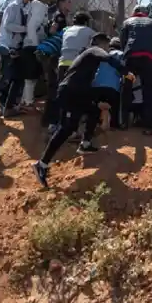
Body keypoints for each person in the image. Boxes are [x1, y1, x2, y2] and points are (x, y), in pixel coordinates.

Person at [33, 34, 124, 188]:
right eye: (106, 46)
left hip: (78, 92)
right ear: (100, 44)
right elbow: (108, 58)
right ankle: (41, 164)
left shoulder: (86, 57)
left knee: (95, 108)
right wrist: (125, 71)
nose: (107, 49)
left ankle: (86, 143)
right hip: (70, 92)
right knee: (66, 128)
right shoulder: (93, 50)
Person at [118, 6, 152, 135]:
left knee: (126, 88)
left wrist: (126, 53)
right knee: (147, 91)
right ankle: (148, 126)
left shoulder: (127, 22)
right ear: (146, 13)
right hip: (147, 59)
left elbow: (123, 40)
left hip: (131, 59)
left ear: (135, 13)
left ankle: (123, 122)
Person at [14, 0, 52, 111]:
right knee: (31, 75)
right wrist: (36, 46)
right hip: (32, 45)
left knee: (34, 74)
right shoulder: (38, 6)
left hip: (35, 43)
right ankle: (27, 102)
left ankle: (26, 100)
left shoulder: (41, 6)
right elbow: (31, 26)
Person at [0, 0, 32, 114]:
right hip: (9, 46)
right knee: (7, 77)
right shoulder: (13, 7)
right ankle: (1, 104)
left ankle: (10, 105)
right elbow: (8, 25)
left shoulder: (25, 9)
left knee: (17, 77)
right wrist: (24, 29)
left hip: (18, 46)